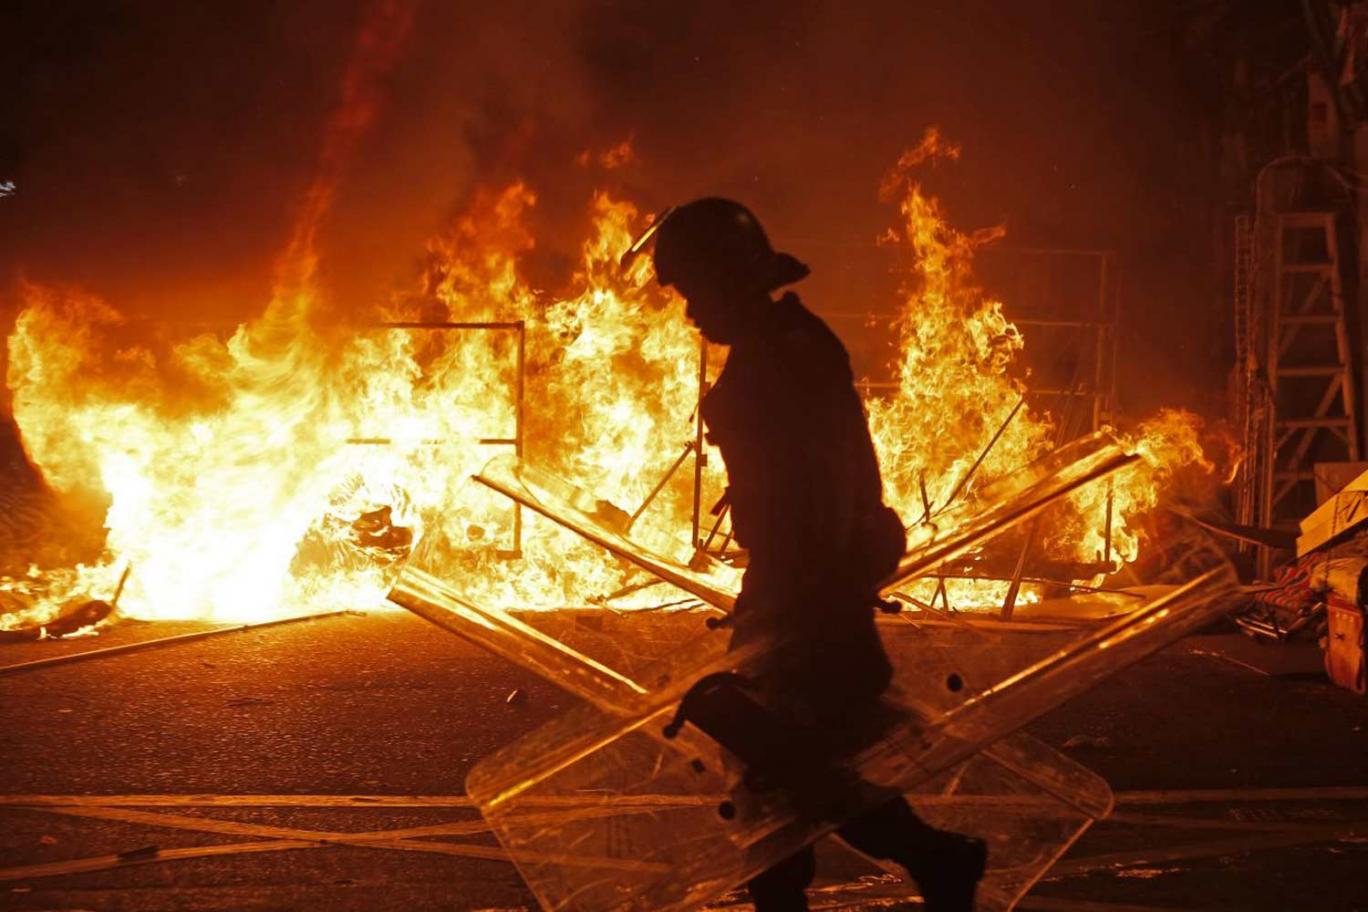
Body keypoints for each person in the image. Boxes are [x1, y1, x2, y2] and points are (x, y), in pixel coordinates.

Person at [650, 198, 987, 912]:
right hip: (803, 589)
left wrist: (798, 608)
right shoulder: (790, 344)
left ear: (731, 280)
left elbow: (817, 493)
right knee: (785, 777)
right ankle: (936, 860)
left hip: (806, 599)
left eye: (693, 292)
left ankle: (936, 858)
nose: (689, 314)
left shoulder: (781, 360)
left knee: (780, 772)